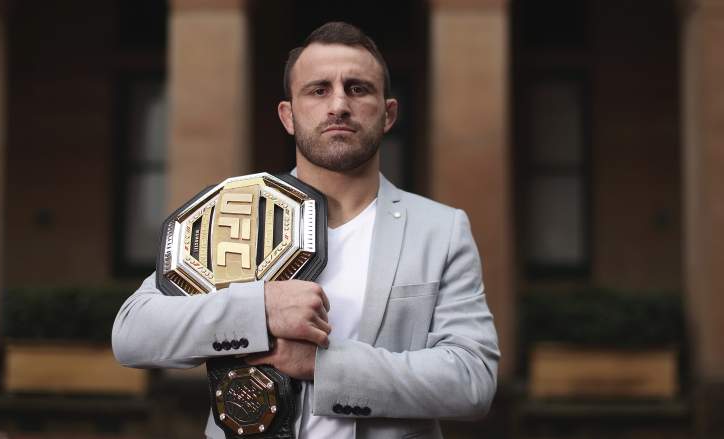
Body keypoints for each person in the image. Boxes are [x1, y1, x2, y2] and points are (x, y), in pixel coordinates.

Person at [112, 21, 499, 439]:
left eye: (357, 88)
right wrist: (260, 309)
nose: (338, 105)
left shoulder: (440, 229)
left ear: (388, 114)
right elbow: (134, 332)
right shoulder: (236, 211)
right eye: (318, 90)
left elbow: (472, 380)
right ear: (288, 115)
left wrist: (321, 365)